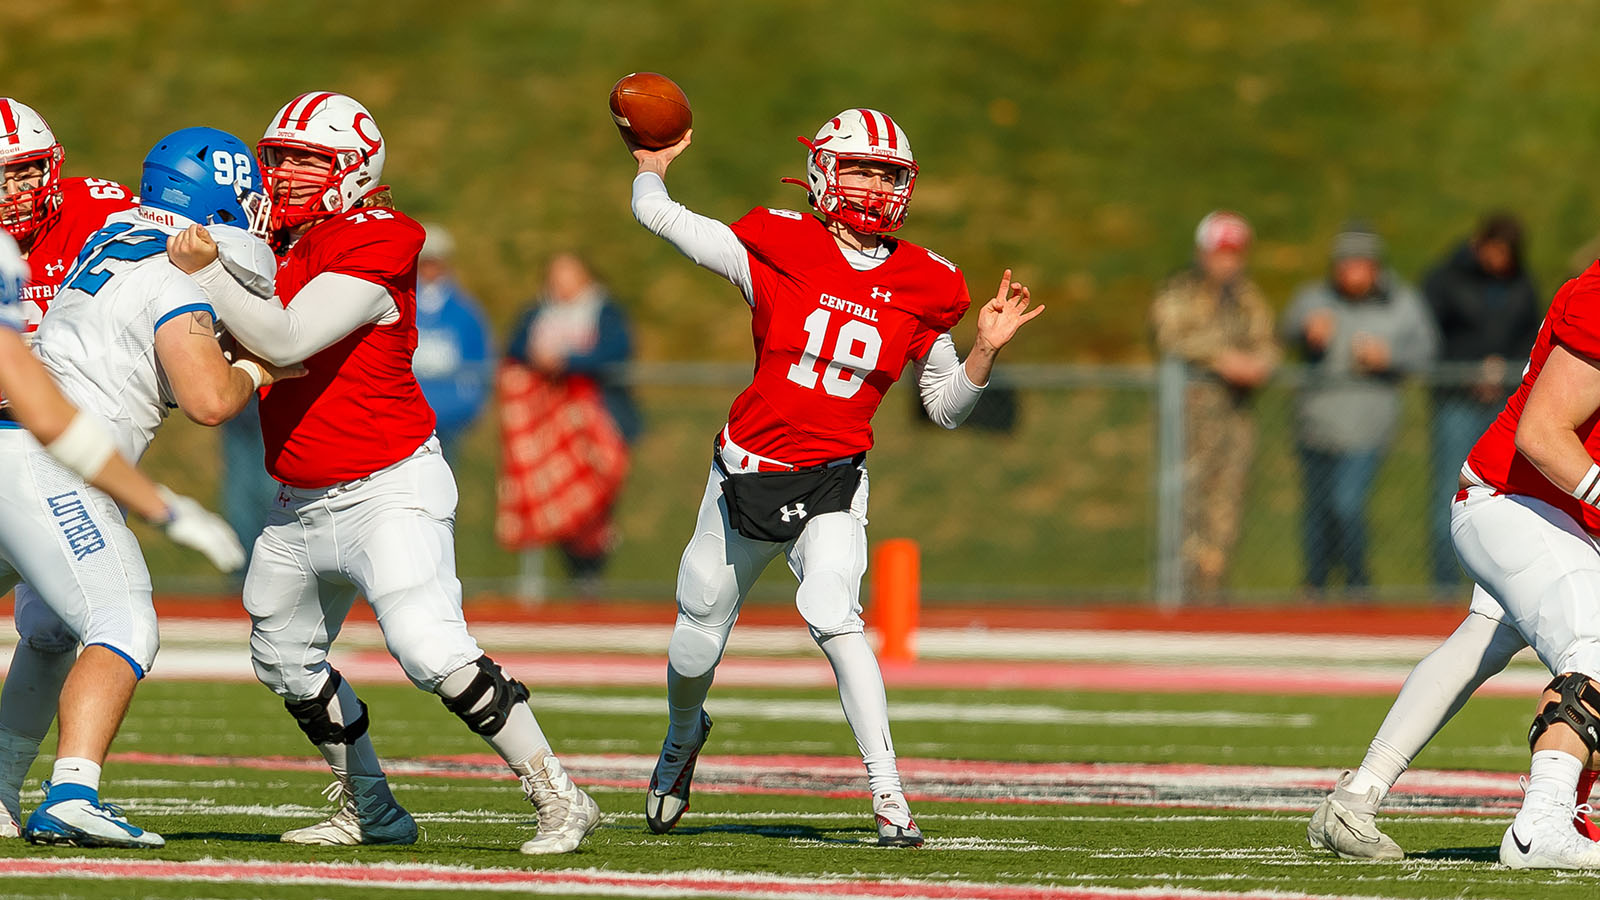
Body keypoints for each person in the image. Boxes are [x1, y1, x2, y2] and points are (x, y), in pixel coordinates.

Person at [164, 91, 599, 854]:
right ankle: (372, 806)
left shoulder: (380, 235)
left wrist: (209, 276)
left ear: (356, 172)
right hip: (298, 497)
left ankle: (557, 792)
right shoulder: (274, 244)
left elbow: (289, 334)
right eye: (282, 156)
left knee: (430, 648)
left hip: (386, 485)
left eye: (310, 159)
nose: (289, 173)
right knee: (282, 656)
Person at [625, 108, 1042, 846]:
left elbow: (944, 407)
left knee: (834, 615)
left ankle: (888, 795)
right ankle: (683, 737)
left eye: (889, 174)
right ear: (823, 171)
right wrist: (651, 165)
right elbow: (661, 218)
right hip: (744, 474)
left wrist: (984, 352)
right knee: (697, 637)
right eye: (861, 169)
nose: (876, 186)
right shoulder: (778, 244)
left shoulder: (926, 281)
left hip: (832, 479)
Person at [2, 127, 296, 848]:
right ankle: (72, 792)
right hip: (48, 464)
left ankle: (2, 788)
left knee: (47, 627)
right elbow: (208, 400)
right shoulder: (173, 276)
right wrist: (258, 370)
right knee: (124, 620)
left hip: (23, 449)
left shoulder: (111, 239)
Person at [1427, 253, 1600, 868]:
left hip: (1562, 508)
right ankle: (1541, 825)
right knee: (1592, 648)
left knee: (1479, 644)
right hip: (1517, 497)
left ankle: (1361, 792)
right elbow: (1542, 433)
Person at [1281, 224, 1438, 599]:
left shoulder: (1401, 303)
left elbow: (1428, 351)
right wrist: (1307, 333)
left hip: (1368, 426)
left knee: (1346, 503)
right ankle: (1314, 585)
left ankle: (1357, 583)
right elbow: (1283, 330)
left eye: (1359, 264)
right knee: (1316, 511)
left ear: (1375, 267)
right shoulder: (1314, 298)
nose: (1350, 272)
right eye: (1344, 264)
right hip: (1315, 423)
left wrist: (1390, 358)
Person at [1149, 211, 1279, 596]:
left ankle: (1211, 590)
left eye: (1235, 253)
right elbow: (1169, 334)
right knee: (1185, 504)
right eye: (1221, 252)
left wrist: (1259, 365)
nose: (1229, 262)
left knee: (1226, 508)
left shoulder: (1247, 299)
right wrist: (1221, 358)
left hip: (1234, 421)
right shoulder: (1179, 294)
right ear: (1203, 253)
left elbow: (1267, 342)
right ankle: (1179, 592)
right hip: (1190, 419)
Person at [500, 252, 639, 594]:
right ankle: (562, 581)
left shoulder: (605, 311)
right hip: (548, 423)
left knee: (595, 504)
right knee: (556, 503)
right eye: (555, 275)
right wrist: (538, 358)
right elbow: (514, 346)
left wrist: (569, 361)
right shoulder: (537, 310)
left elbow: (617, 351)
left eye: (568, 274)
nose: (560, 282)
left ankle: (591, 574)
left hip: (598, 418)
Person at [1422, 213, 1542, 590]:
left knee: (1508, 491)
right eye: (1495, 250)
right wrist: (1467, 369)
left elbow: (1533, 340)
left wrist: (1504, 370)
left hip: (1506, 403)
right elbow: (1426, 341)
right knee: (1450, 488)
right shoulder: (1444, 280)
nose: (1500, 260)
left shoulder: (1523, 286)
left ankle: (1499, 588)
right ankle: (1443, 589)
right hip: (1456, 398)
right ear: (1480, 244)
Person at [413, 223, 491, 463]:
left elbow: (479, 360)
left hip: (450, 415)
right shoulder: (400, 304)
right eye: (424, 261)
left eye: (435, 261)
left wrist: (468, 406)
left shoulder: (465, 310)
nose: (429, 269)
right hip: (407, 414)